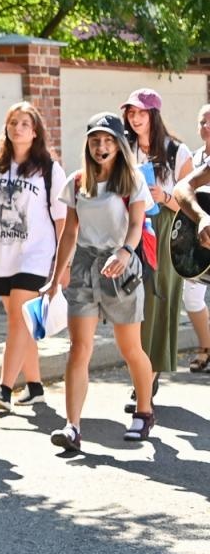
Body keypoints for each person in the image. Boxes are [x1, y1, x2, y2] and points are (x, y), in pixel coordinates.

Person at [42, 113, 154, 451]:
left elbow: (136, 224)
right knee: (79, 348)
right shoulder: (77, 182)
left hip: (121, 267)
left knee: (129, 348)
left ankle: (145, 411)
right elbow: (69, 233)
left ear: (119, 146)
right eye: (95, 140)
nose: (100, 147)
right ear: (88, 144)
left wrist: (124, 252)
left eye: (107, 141)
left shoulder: (132, 180)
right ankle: (72, 426)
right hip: (85, 267)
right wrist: (54, 276)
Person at [0, 102, 68, 410]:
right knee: (21, 321)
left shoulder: (48, 169)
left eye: (24, 124)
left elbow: (63, 219)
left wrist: (63, 262)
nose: (18, 127)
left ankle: (4, 389)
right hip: (1, 254)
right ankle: (34, 386)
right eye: (13, 122)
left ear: (35, 132)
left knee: (19, 319)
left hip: (36, 254)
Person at [120, 87, 190, 409]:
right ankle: (141, 374)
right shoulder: (124, 147)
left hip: (165, 226)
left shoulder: (177, 152)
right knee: (135, 299)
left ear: (154, 115)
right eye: (131, 113)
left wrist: (163, 197)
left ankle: (150, 377)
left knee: (160, 298)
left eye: (141, 113)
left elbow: (193, 202)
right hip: (131, 225)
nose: (135, 118)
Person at [176, 104, 210, 372]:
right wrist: (201, 217)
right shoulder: (198, 159)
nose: (206, 127)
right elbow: (182, 187)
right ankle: (205, 347)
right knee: (192, 297)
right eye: (203, 122)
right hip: (201, 242)